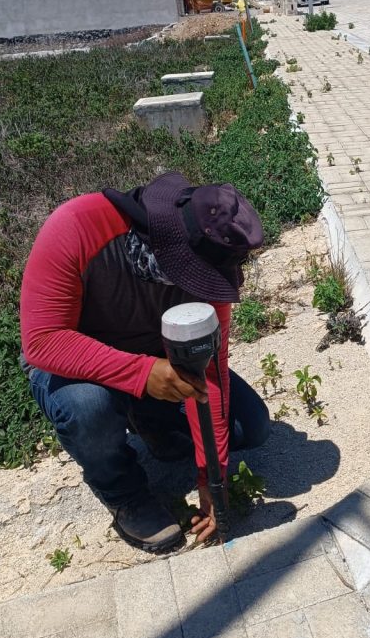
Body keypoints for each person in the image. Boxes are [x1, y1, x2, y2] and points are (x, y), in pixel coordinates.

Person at [19, 171, 269, 552]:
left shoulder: (210, 258)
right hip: (73, 365)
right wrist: (144, 373)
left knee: (250, 428)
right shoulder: (76, 226)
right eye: (194, 277)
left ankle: (150, 421)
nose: (200, 286)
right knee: (88, 407)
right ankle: (125, 495)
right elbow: (43, 342)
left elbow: (212, 375)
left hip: (158, 357)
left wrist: (211, 481)